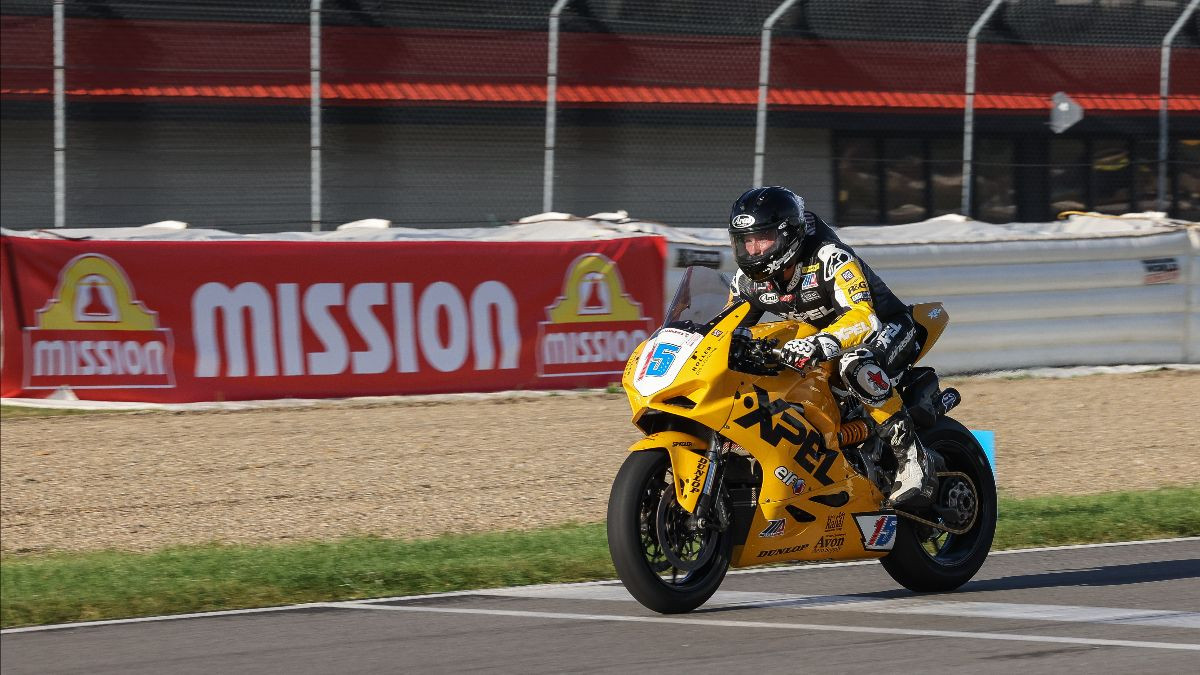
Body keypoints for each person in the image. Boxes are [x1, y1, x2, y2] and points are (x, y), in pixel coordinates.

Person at [726, 186, 935, 506]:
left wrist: (817, 343)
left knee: (855, 364)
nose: (754, 250)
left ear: (788, 234)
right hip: (823, 349)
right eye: (746, 241)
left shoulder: (828, 259)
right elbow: (728, 328)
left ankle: (912, 459)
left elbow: (864, 318)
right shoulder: (746, 281)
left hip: (889, 329)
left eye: (762, 239)